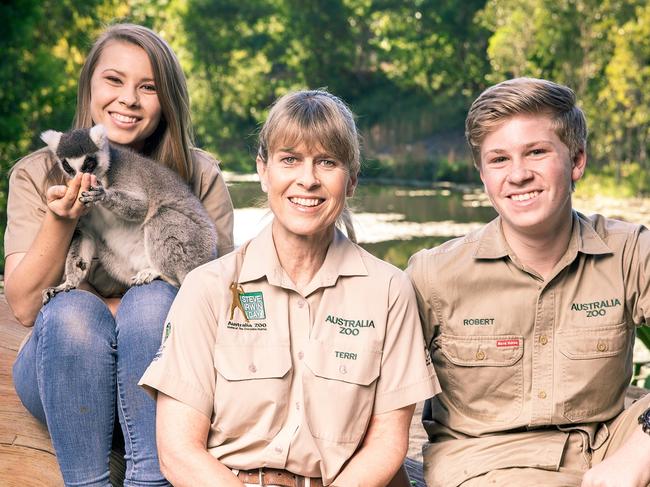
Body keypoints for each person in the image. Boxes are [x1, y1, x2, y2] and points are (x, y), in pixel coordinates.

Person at [139, 89, 439, 487]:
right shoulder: (208, 289)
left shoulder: (388, 291)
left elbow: (387, 442)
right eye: (290, 160)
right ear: (264, 171)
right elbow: (178, 451)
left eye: (327, 162)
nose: (308, 180)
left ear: (351, 180)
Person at [5, 23, 234, 486]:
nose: (128, 99)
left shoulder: (198, 172)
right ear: (90, 84)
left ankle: (149, 479)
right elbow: (27, 304)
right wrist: (63, 218)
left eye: (147, 87)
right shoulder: (35, 173)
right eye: (114, 80)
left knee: (150, 305)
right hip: (62, 370)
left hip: (168, 372)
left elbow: (226, 299)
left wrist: (125, 313)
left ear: (166, 100)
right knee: (70, 309)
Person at [407, 77, 650, 487]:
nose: (518, 174)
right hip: (485, 468)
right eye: (499, 160)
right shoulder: (433, 274)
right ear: (482, 174)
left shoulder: (629, 252)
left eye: (536, 152)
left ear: (576, 161)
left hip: (606, 453)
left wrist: (641, 450)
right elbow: (374, 394)